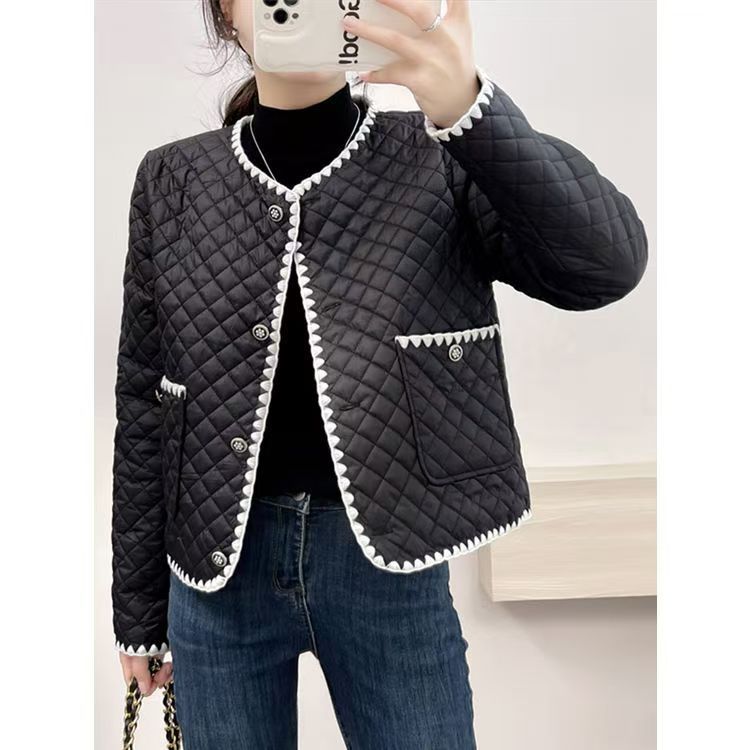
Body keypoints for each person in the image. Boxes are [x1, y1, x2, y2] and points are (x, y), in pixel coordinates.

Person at [110, 0, 648, 747]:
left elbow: (606, 266)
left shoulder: (440, 154)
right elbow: (145, 400)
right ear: (226, 14)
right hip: (215, 574)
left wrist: (468, 108)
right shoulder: (171, 179)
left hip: (391, 560)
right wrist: (139, 613)